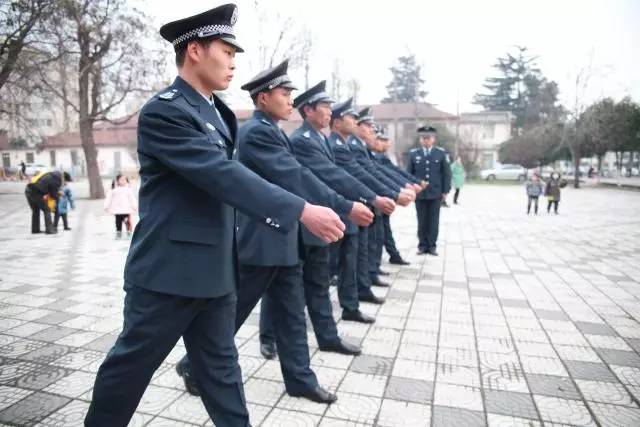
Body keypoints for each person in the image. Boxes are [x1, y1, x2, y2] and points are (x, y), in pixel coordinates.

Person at [84, 6, 342, 426]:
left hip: (217, 273)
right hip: (169, 274)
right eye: (227, 51)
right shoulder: (165, 111)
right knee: (129, 371)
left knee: (222, 374)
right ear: (195, 51)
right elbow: (222, 175)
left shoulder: (217, 112)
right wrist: (300, 209)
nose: (233, 62)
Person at [176, 61, 372, 404]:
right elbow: (295, 176)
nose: (290, 100)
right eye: (284, 93)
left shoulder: (272, 130)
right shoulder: (257, 132)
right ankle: (192, 363)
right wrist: (343, 205)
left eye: (291, 93)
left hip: (282, 239)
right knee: (234, 313)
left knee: (292, 313)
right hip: (261, 242)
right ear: (263, 98)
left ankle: (299, 379)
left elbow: (298, 176)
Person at [259, 81, 379, 357]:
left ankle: (327, 337)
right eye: (324, 107)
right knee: (277, 284)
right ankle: (268, 336)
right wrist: (357, 202)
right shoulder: (301, 140)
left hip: (319, 222)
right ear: (309, 111)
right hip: (304, 221)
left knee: (317, 283)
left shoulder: (319, 138)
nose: (329, 112)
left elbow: (336, 176)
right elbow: (322, 177)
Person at [327, 98, 396, 321]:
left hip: (355, 208)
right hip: (343, 209)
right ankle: (345, 304)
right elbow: (352, 175)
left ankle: (352, 302)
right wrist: (385, 194)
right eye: (351, 117)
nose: (355, 122)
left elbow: (366, 172)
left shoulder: (345, 144)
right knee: (333, 265)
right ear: (337, 122)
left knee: (352, 259)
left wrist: (389, 192)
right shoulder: (336, 144)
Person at [371, 131, 416, 266]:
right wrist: (398, 191)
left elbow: (394, 172)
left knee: (383, 229)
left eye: (386, 141)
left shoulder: (381, 156)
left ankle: (388, 257)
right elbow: (381, 175)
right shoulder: (372, 156)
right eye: (382, 140)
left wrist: (410, 184)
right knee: (376, 233)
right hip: (376, 196)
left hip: (384, 194)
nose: (387, 144)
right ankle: (377, 263)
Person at [408, 126, 451, 255]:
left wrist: (445, 191)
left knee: (433, 221)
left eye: (429, 138)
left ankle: (432, 246)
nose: (426, 140)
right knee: (421, 220)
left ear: (433, 139)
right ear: (420, 139)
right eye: (423, 138)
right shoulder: (414, 154)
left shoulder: (440, 153)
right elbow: (409, 174)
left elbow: (446, 173)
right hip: (420, 193)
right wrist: (411, 189)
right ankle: (422, 245)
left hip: (435, 193)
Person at [24, 170, 72, 234]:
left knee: (36, 210)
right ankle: (49, 230)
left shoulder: (51, 175)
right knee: (47, 209)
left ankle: (35, 229)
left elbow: (48, 188)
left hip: (28, 190)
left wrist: (55, 194)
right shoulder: (57, 179)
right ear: (64, 179)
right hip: (35, 192)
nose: (65, 184)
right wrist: (58, 196)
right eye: (66, 182)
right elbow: (53, 194)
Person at [104, 174, 138, 238]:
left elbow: (132, 199)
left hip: (126, 210)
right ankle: (118, 233)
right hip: (117, 211)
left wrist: (134, 206)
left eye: (125, 180)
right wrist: (106, 206)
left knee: (127, 222)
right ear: (117, 181)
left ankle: (129, 233)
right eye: (122, 180)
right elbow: (108, 198)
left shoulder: (128, 190)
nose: (123, 181)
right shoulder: (113, 190)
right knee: (118, 223)